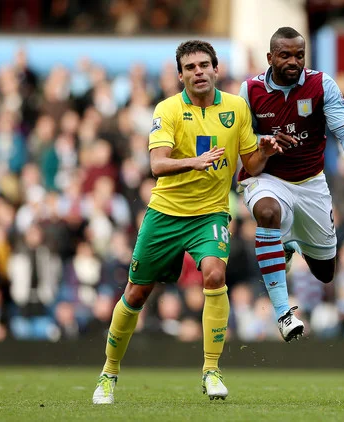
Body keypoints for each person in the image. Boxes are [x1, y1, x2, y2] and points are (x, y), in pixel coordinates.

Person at [92, 40, 281, 404]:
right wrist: (192, 162)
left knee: (214, 274)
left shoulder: (237, 108)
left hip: (210, 213)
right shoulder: (168, 110)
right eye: (190, 67)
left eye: (204, 65)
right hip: (165, 214)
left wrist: (265, 153)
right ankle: (108, 373)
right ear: (180, 75)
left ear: (216, 69)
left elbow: (250, 165)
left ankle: (211, 370)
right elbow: (157, 165)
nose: (198, 72)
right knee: (136, 293)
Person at [238, 27, 344, 341]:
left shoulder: (322, 85)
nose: (294, 61)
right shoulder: (249, 91)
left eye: (299, 55)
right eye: (286, 55)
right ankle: (283, 314)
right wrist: (264, 143)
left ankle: (289, 245)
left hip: (311, 183)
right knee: (266, 213)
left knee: (325, 273)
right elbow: (243, 144)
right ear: (269, 57)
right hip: (267, 178)